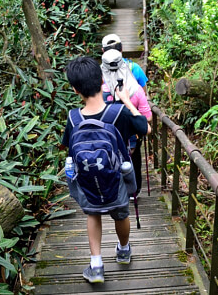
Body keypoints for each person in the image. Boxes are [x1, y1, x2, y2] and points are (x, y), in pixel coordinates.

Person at [62, 56, 151, 284]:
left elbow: (68, 146)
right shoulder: (119, 112)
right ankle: (123, 250)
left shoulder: (73, 119)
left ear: (75, 90)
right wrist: (126, 102)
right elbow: (145, 128)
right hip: (118, 180)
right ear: (102, 80)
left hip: (88, 182)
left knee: (93, 214)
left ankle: (97, 266)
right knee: (121, 213)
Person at [100, 48, 152, 196]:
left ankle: (113, 191)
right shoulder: (136, 90)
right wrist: (128, 103)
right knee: (133, 162)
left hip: (106, 141)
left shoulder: (97, 92)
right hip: (131, 139)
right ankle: (133, 191)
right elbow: (147, 118)